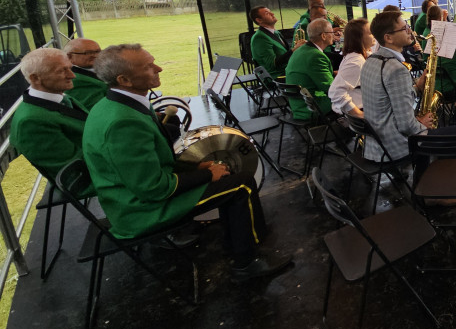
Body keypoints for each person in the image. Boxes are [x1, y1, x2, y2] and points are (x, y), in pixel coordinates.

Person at [83, 44, 290, 280]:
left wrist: (196, 167)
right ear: (124, 80)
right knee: (241, 185)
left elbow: (156, 161)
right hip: (140, 210)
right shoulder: (122, 123)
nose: (159, 68)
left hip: (136, 196)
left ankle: (242, 240)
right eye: (148, 67)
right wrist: (206, 175)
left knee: (230, 176)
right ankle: (246, 263)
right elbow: (152, 188)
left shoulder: (119, 104)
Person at [360, 11, 439, 162]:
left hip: (375, 146)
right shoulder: (396, 69)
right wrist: (422, 124)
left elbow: (388, 99)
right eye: (404, 28)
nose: (410, 31)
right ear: (388, 38)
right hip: (395, 147)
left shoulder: (371, 60)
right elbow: (406, 126)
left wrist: (417, 87)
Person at [10, 48, 87, 177]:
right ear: (35, 78)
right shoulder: (31, 122)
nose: (72, 75)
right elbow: (74, 172)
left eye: (69, 68)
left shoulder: (58, 96)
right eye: (61, 71)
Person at [284, 18, 336, 121]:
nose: (333, 35)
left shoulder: (301, 50)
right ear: (323, 36)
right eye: (332, 32)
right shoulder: (315, 56)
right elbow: (330, 88)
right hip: (310, 107)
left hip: (298, 104)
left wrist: (336, 74)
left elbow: (311, 75)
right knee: (356, 96)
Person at [328, 18, 372, 118]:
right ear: (359, 38)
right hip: (358, 113)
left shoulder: (357, 56)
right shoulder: (356, 62)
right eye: (370, 33)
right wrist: (358, 113)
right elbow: (335, 92)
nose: (374, 36)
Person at [249, 6, 305, 77]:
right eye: (267, 13)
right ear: (259, 20)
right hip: (277, 76)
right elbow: (272, 65)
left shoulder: (276, 32)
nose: (272, 14)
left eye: (270, 11)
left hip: (288, 70)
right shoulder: (259, 38)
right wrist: (294, 50)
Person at [64, 37, 107, 110]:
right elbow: (94, 109)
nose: (95, 55)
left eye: (98, 51)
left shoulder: (94, 69)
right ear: (69, 56)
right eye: (88, 53)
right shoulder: (76, 80)